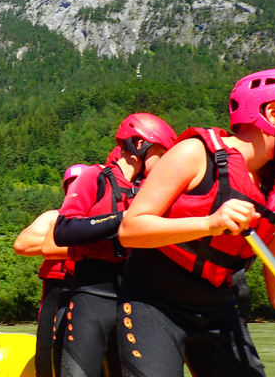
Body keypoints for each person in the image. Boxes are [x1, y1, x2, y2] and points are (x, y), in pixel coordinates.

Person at [116, 69, 275, 377]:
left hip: (218, 310)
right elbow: (130, 230)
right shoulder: (195, 154)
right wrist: (210, 224)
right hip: (154, 305)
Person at [45, 114, 177, 377]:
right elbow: (64, 230)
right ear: (139, 144)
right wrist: (122, 220)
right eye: (163, 154)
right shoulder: (95, 177)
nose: (169, 165)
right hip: (92, 294)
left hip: (139, 298)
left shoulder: (153, 190)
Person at [13, 164, 85, 377]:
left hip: (90, 287)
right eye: (71, 186)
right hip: (57, 287)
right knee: (46, 350)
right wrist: (79, 247)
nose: (76, 191)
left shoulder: (104, 216)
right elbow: (23, 244)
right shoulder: (53, 216)